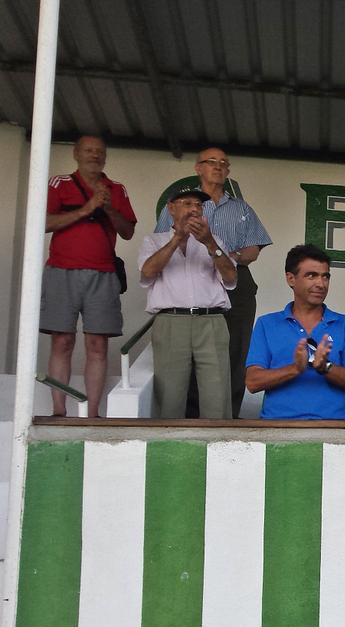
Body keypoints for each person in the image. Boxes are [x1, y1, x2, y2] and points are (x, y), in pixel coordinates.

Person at [155, 146, 272, 418]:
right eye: (211, 162)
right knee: (190, 348)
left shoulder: (242, 208)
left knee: (235, 349)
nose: (218, 167)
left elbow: (253, 250)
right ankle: (190, 417)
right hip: (192, 279)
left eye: (223, 163)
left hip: (235, 279)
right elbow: (161, 242)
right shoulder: (181, 203)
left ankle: (228, 415)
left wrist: (230, 256)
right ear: (198, 168)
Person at [42, 135, 137, 417]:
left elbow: (128, 231)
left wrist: (107, 207)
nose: (94, 155)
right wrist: (86, 209)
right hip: (62, 269)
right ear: (76, 153)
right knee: (62, 341)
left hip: (103, 272)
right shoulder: (59, 184)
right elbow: (43, 222)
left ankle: (92, 413)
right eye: (88, 150)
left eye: (99, 151)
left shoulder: (116, 189)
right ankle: (59, 411)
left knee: (98, 344)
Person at [139, 189, 237, 419]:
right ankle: (168, 442)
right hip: (171, 321)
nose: (194, 209)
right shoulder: (154, 240)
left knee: (217, 395)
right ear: (171, 208)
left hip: (211, 320)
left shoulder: (214, 240)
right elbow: (147, 273)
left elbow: (231, 278)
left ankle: (218, 441)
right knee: (170, 397)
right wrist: (177, 239)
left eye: (198, 205)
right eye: (187, 203)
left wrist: (210, 243)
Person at [245, 245, 345, 419]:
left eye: (325, 276)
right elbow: (252, 382)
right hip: (277, 427)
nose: (321, 284)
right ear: (291, 279)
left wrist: (325, 366)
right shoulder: (266, 324)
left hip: (333, 427)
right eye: (311, 276)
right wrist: (295, 368)